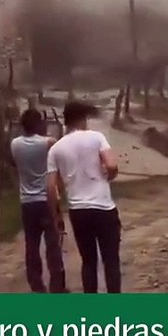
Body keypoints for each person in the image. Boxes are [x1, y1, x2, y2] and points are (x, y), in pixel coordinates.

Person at [47, 100, 122, 293]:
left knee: (88, 262)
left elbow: (50, 188)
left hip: (78, 211)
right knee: (111, 260)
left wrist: (57, 217)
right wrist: (109, 176)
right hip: (103, 207)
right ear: (83, 118)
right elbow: (112, 165)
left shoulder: (56, 148)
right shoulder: (97, 137)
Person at [8, 109, 67, 293]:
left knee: (31, 245)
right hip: (46, 200)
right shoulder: (47, 143)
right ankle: (57, 285)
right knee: (52, 244)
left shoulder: (15, 144)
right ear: (38, 124)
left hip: (27, 201)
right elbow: (60, 150)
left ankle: (36, 285)